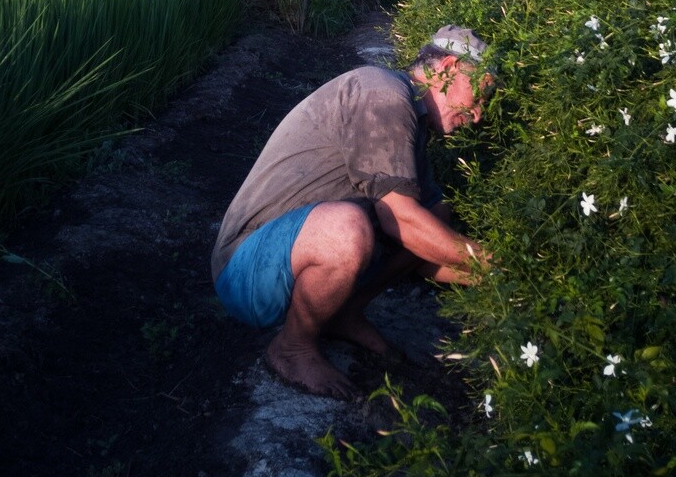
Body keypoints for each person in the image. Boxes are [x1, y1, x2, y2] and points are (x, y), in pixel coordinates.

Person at [210, 26, 494, 399]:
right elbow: (401, 221)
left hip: (292, 257)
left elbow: (425, 249)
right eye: (480, 96)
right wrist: (494, 266)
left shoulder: (413, 125)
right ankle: (291, 349)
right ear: (449, 67)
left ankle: (342, 313)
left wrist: (506, 282)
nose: (477, 116)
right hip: (246, 268)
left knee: (435, 214)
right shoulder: (383, 94)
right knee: (351, 228)